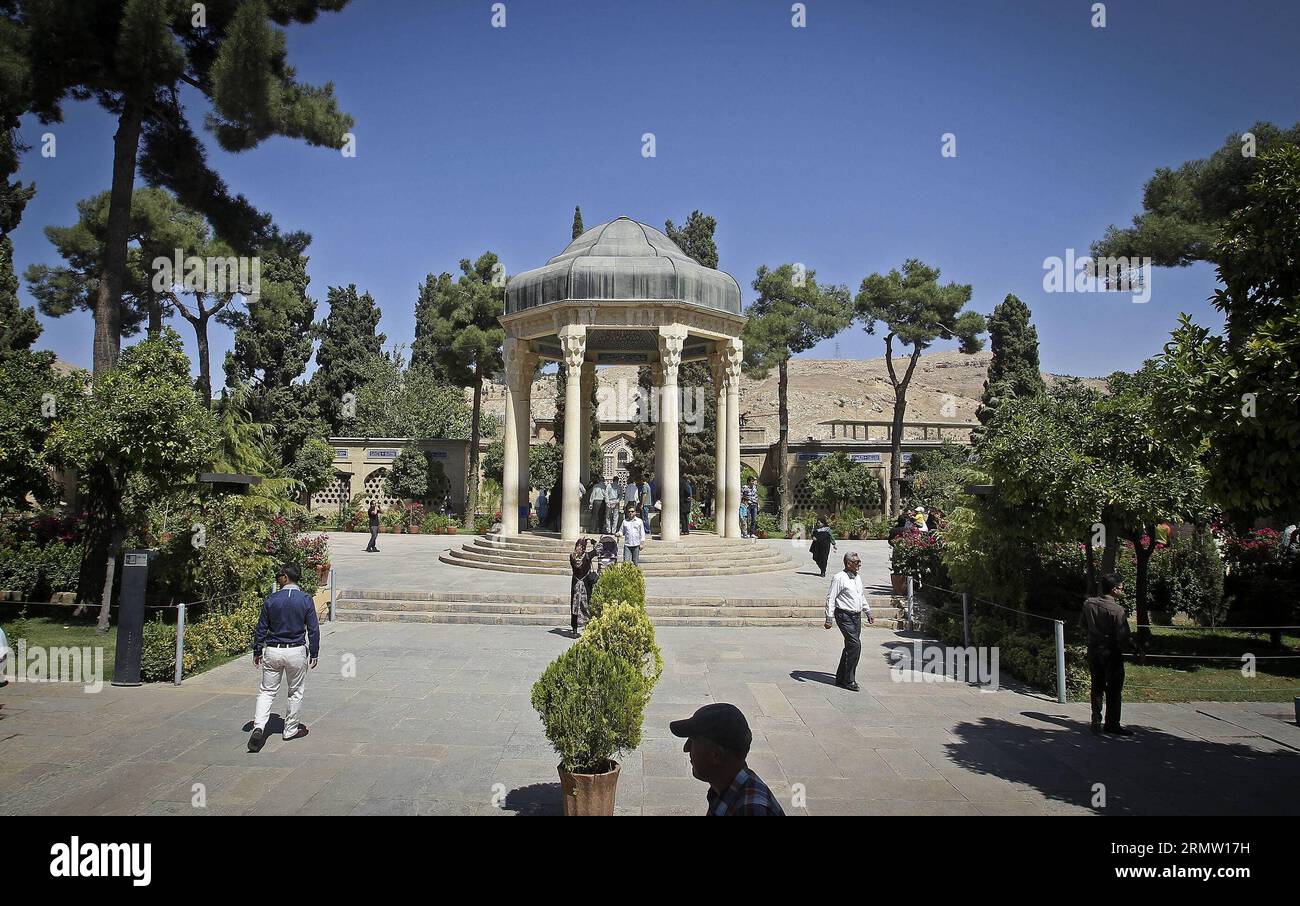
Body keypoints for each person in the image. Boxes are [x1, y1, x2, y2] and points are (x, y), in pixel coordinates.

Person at [249, 563, 320, 752]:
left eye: (280, 575)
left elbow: (262, 627)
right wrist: (314, 651)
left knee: (267, 691)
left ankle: (259, 726)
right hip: (296, 650)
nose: (278, 578)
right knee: (295, 691)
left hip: (273, 649)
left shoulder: (272, 599)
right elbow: (313, 628)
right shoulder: (305, 599)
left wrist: (257, 650)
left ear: (286, 578)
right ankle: (290, 729)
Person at [669, 703, 784, 816]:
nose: (686, 748)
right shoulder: (726, 790)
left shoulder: (750, 810)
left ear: (716, 755)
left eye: (692, 740)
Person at [1080, 573, 1133, 736]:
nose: (1123, 591)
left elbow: (1082, 624)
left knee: (1097, 685)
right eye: (1121, 588)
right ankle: (1112, 723)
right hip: (1111, 652)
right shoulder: (1117, 610)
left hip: (1094, 649)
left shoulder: (1088, 603)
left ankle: (1096, 719)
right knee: (1114, 688)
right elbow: (1123, 636)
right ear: (1114, 589)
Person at [824, 551, 873, 692]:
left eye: (859, 562)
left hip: (856, 616)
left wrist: (867, 611)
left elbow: (860, 596)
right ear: (848, 563)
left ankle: (841, 678)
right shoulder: (839, 578)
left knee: (850, 647)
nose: (859, 565)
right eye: (857, 562)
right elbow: (831, 597)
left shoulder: (858, 578)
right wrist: (829, 617)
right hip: (844, 616)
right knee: (855, 645)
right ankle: (849, 680)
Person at [569, 538, 597, 635]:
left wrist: (583, 541)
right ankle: (588, 625)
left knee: (575, 605)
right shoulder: (588, 556)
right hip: (585, 584)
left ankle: (574, 629)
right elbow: (599, 549)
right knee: (587, 604)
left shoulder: (571, 557)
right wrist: (593, 542)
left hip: (575, 584)